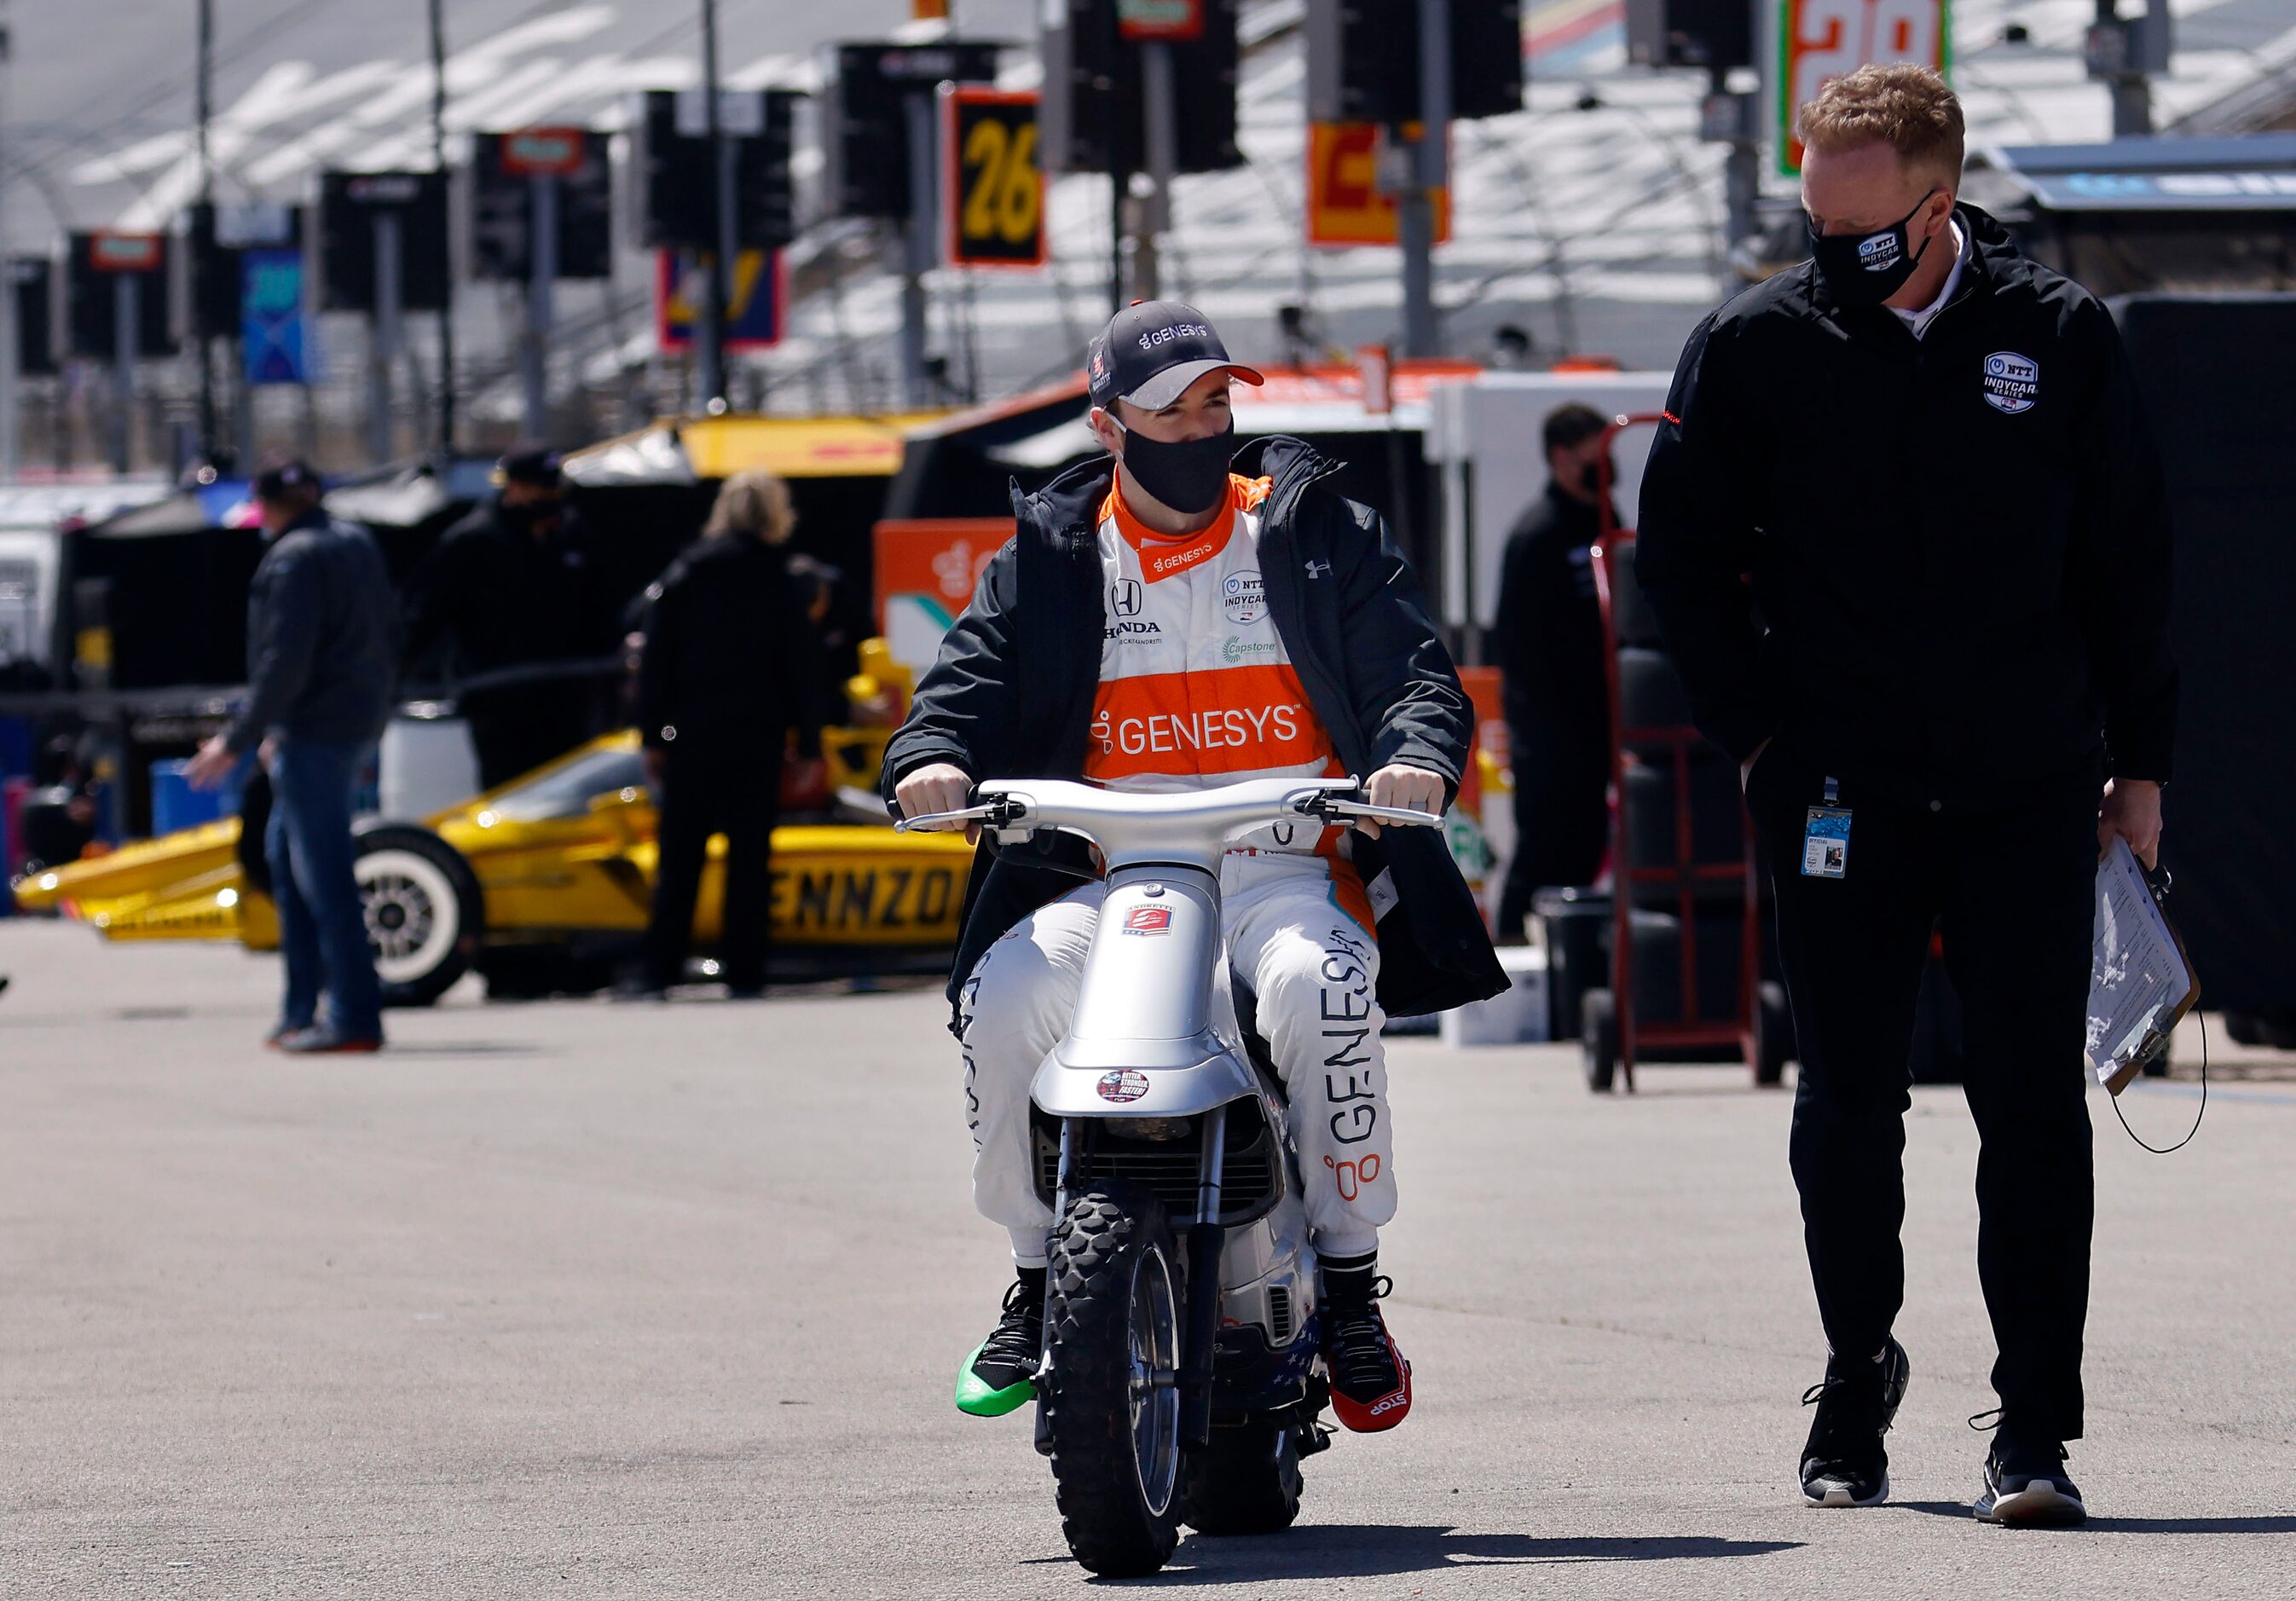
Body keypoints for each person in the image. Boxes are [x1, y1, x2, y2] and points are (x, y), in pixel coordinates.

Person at [1634, 65, 2176, 1526]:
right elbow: (1675, 561)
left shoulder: (2055, 336)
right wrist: (1757, 735)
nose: (1833, 253)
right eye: (1814, 223)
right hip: (1834, 790)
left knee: (2028, 1107)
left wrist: (2139, 764)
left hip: (2020, 785)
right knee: (1845, 1103)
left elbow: (2125, 562)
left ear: (1938, 208)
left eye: (1861, 228)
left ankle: (2033, 1427)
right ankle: (1852, 1364)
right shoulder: (1752, 343)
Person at [885, 300, 1506, 1433]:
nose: (1203, 423)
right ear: (1109, 424)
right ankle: (1036, 1273)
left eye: (1217, 399)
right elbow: (957, 690)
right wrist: (929, 757)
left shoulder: (1316, 528)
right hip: (1104, 873)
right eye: (1173, 407)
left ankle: (1353, 1280)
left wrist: (1415, 755)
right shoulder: (1053, 553)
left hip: (1285, 863)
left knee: (1324, 989)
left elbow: (1415, 674)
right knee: (1005, 993)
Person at [187, 460, 401, 1054]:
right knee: (287, 861)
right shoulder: (356, 542)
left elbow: (285, 660)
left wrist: (235, 738)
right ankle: (302, 1008)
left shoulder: (294, 559)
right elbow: (386, 632)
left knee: (323, 874)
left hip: (314, 730)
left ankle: (354, 1016)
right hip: (350, 721)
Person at [632, 469, 828, 997]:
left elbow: (656, 663)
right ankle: (745, 973)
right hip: (758, 734)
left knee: (680, 858)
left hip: (692, 731)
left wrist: (651, 737)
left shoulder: (686, 573)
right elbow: (801, 668)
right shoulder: (782, 578)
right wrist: (808, 743)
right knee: (749, 859)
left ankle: (658, 970)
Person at [404, 447, 608, 790]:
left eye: (554, 490)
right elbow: (426, 613)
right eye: (539, 491)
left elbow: (598, 606)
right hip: (501, 702)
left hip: (567, 696)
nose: (549, 498)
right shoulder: (473, 541)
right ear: (512, 487)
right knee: (510, 795)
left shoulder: (573, 534)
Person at [1490, 402, 1616, 941]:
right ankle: (1510, 958)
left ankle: (1573, 960)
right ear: (1562, 458)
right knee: (1543, 847)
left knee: (1589, 847)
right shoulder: (1538, 534)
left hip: (1603, 724)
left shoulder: (1608, 520)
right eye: (1594, 458)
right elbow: (1518, 645)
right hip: (1550, 731)